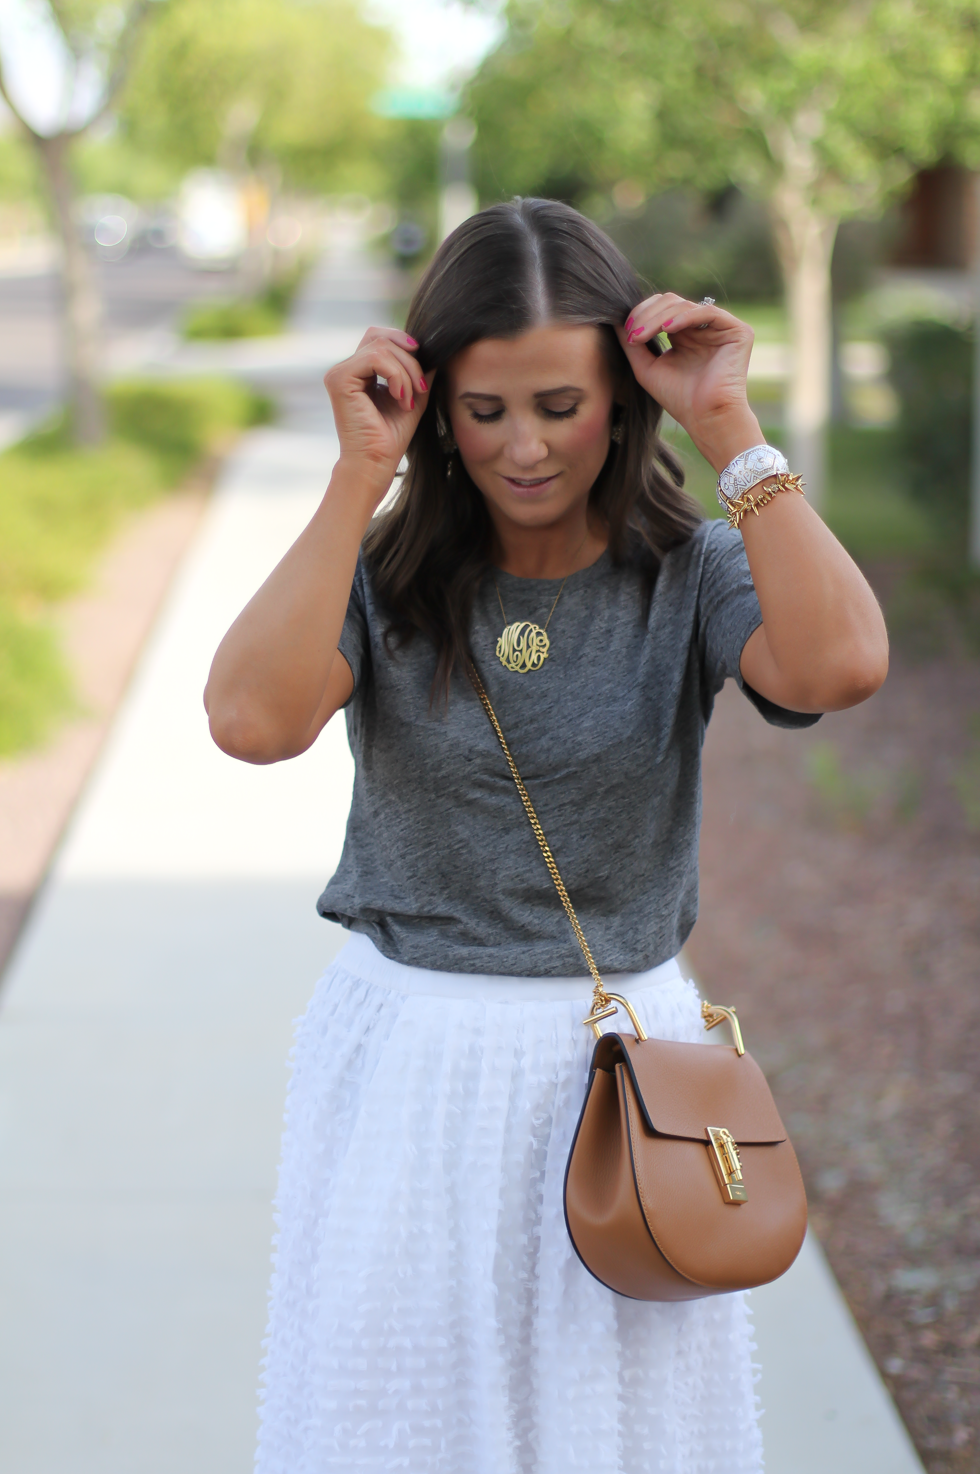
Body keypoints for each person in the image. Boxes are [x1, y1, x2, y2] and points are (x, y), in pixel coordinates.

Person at [204, 198, 888, 1474]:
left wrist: (728, 424)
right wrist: (361, 472)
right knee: (396, 1430)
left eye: (559, 407)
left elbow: (842, 661)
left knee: (610, 1436)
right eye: (486, 409)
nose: (522, 446)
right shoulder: (382, 574)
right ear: (437, 407)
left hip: (625, 1073)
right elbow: (248, 718)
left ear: (621, 403)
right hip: (411, 1056)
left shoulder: (688, 571)